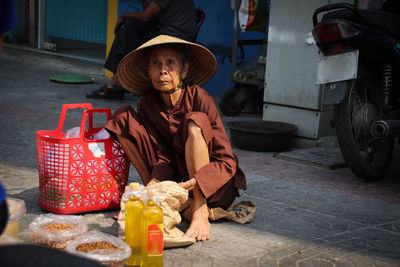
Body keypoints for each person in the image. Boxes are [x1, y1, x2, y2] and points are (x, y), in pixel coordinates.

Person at [105, 35, 246, 241]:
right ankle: (154, 199)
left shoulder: (201, 98)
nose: (163, 70)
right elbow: (162, 155)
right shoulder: (147, 103)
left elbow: (226, 162)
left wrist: (188, 186)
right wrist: (155, 185)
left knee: (194, 120)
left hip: (213, 186)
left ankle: (199, 209)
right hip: (176, 177)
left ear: (184, 70)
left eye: (170, 63)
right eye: (156, 64)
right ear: (148, 71)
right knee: (122, 117)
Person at [87, 0, 197, 99]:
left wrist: (124, 16)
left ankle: (116, 82)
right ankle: (117, 81)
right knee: (134, 25)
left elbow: (146, 16)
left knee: (132, 25)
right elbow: (151, 19)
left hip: (174, 37)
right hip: (166, 33)